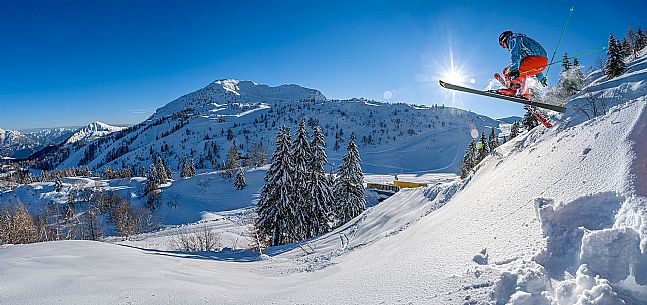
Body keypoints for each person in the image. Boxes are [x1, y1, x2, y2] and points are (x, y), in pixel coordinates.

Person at [496, 31, 548, 99]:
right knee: (518, 70)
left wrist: (514, 69)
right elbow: (532, 65)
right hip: (543, 63)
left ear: (504, 39)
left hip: (536, 58)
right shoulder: (523, 43)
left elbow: (515, 53)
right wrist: (541, 78)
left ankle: (514, 90)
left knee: (508, 71)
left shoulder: (513, 39)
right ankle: (523, 92)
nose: (504, 47)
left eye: (502, 44)